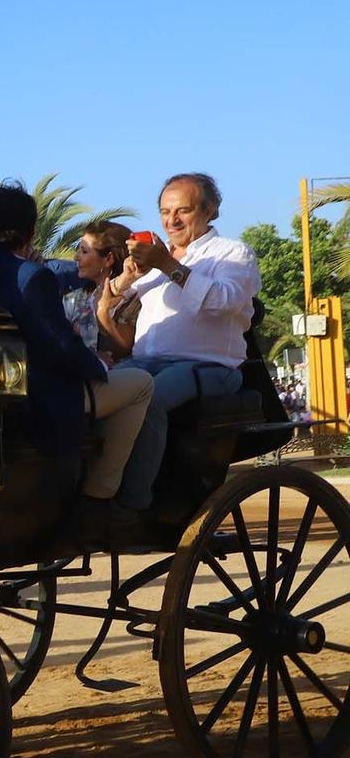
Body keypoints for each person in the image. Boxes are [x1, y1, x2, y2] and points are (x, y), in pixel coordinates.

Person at [0, 187, 153, 533]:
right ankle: (98, 496)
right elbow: (59, 346)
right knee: (141, 384)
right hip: (39, 399)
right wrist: (100, 365)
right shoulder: (32, 275)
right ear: (29, 232)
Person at [110, 173, 262, 515]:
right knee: (96, 391)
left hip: (208, 367)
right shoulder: (154, 262)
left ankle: (132, 506)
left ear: (210, 211)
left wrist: (166, 264)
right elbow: (115, 310)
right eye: (165, 211)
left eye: (183, 211)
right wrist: (124, 280)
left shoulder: (232, 253)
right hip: (144, 363)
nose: (171, 220)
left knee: (147, 400)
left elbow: (223, 301)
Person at [64, 220, 140, 364]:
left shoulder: (132, 298)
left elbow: (121, 350)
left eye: (84, 251)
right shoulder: (74, 299)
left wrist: (103, 315)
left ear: (108, 259)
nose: (76, 257)